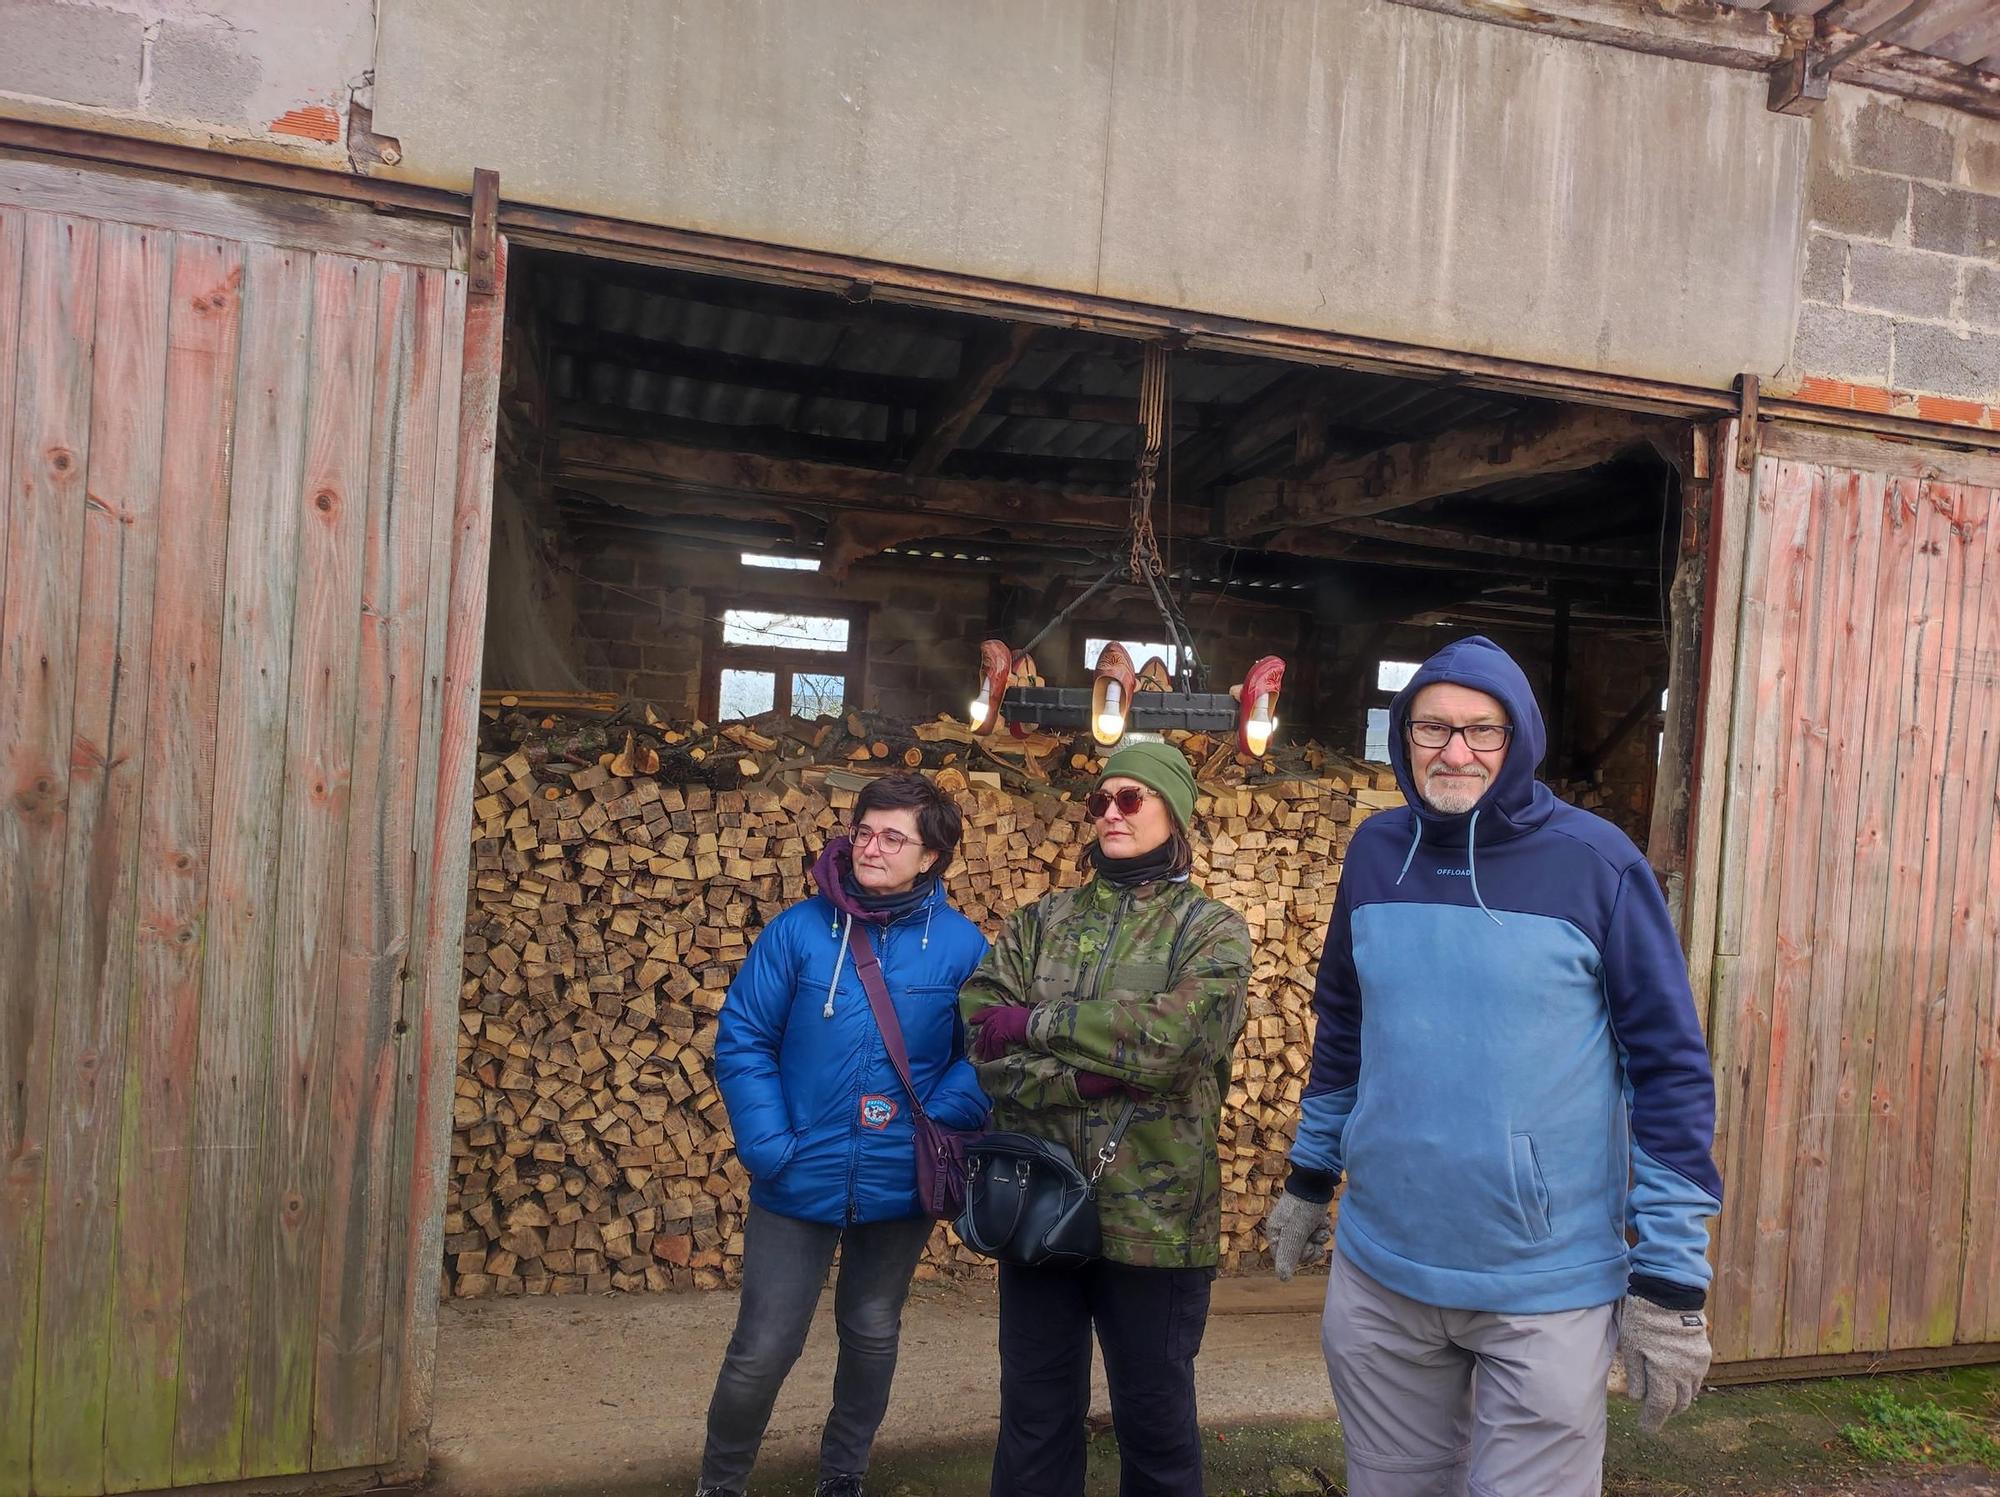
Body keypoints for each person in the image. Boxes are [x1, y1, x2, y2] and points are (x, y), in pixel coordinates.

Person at [1262, 635, 1721, 1497]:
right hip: (1383, 1272)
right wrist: (1309, 1175)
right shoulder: (1374, 854)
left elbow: (1669, 1068)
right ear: (1403, 738)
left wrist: (1670, 1279)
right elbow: (1345, 1025)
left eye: (1483, 730)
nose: (1456, 751)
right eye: (1432, 729)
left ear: (1521, 742)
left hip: (1543, 1284)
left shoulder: (1597, 864)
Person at [960, 741, 1251, 1497]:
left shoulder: (1210, 930)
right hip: (1038, 1205)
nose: (1110, 812)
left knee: (1154, 1430)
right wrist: (1091, 1080)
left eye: (1131, 798)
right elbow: (982, 1035)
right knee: (1033, 1418)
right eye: (1100, 799)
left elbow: (1175, 1040)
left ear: (1175, 812)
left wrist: (1038, 1023)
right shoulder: (1040, 921)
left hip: (1155, 1222)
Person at [701, 772, 991, 1497]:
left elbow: (987, 1053)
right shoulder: (797, 931)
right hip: (797, 1173)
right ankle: (720, 1483)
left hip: (900, 1182)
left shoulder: (961, 946)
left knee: (869, 1331)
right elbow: (743, 1038)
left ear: (931, 855)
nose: (871, 846)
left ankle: (843, 1475)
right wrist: (771, 1146)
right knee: (762, 1348)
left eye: (894, 836)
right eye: (864, 830)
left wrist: (940, 1117)